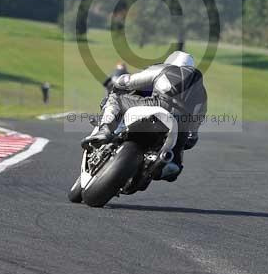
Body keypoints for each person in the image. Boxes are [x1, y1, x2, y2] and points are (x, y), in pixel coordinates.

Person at [81, 51, 207, 181]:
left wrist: (117, 86)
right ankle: (167, 164)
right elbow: (196, 124)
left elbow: (127, 81)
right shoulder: (201, 89)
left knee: (116, 99)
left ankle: (105, 130)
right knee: (175, 161)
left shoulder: (164, 68)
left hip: (159, 106)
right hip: (181, 123)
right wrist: (188, 138)